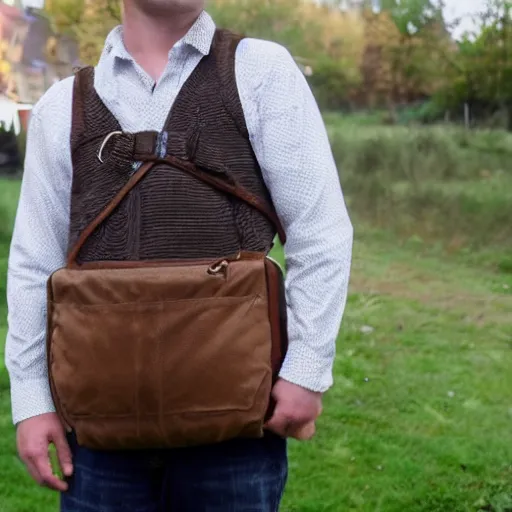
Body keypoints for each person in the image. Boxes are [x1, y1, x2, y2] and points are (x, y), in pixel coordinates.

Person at [5, 1, 353, 510]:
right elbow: (35, 262)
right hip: (100, 427)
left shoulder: (260, 72)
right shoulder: (63, 106)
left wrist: (305, 369)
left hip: (234, 424)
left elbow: (319, 231)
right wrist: (32, 401)